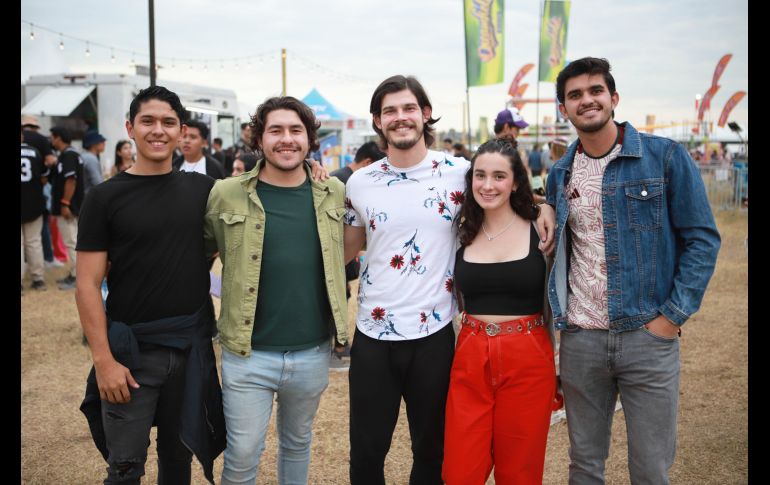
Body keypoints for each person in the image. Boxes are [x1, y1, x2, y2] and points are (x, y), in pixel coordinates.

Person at [343, 74, 556, 484]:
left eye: (409, 108)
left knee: (433, 452)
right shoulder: (360, 182)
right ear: (378, 120)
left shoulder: (460, 173)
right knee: (366, 451)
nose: (400, 117)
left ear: (425, 113)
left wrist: (543, 207)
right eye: (390, 110)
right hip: (373, 332)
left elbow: (503, 189)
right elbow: (345, 250)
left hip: (435, 334)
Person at [547, 57, 721, 484]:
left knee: (650, 468)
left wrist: (671, 318)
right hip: (581, 340)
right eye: (575, 95)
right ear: (564, 109)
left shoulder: (664, 157)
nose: (587, 100)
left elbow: (702, 239)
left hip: (647, 336)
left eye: (595, 91)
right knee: (584, 464)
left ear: (614, 98)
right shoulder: (560, 173)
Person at [76, 85, 226, 485]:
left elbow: (259, 189)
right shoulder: (104, 198)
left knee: (178, 463)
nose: (158, 130)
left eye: (168, 122)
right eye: (148, 121)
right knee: (125, 469)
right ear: (130, 128)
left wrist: (313, 170)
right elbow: (87, 284)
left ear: (181, 131)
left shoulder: (204, 190)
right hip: (131, 355)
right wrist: (104, 362)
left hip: (190, 350)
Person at [204, 96, 348, 485]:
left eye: (296, 130)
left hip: (312, 352)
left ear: (310, 139)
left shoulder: (332, 191)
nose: (287, 139)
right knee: (242, 454)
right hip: (248, 354)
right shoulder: (227, 193)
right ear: (258, 138)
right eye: (276, 130)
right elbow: (198, 255)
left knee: (298, 443)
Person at [443, 137, 558, 484]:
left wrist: (546, 206)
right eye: (480, 176)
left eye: (499, 176)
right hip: (470, 354)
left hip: (528, 356)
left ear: (516, 182)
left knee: (519, 472)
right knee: (460, 472)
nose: (487, 185)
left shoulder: (541, 230)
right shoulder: (459, 231)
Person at [328, 141, 386, 370]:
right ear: (368, 163)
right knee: (336, 298)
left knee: (341, 296)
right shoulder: (345, 181)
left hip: (342, 252)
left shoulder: (339, 176)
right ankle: (337, 347)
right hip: (336, 252)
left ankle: (339, 345)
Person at [50, 126, 84, 290]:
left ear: (58, 138)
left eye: (52, 137)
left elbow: (71, 180)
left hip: (69, 206)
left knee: (72, 242)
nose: (51, 140)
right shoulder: (69, 154)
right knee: (73, 241)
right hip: (73, 205)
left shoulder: (69, 155)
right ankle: (74, 273)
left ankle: (78, 276)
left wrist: (65, 203)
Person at [21, 128, 50, 292]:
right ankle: (38, 279)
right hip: (34, 203)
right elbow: (44, 178)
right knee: (34, 242)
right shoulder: (34, 152)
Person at [81, 130, 106, 194]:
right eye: (101, 141)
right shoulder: (90, 158)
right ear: (93, 144)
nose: (104, 143)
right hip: (88, 196)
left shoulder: (85, 156)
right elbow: (98, 183)